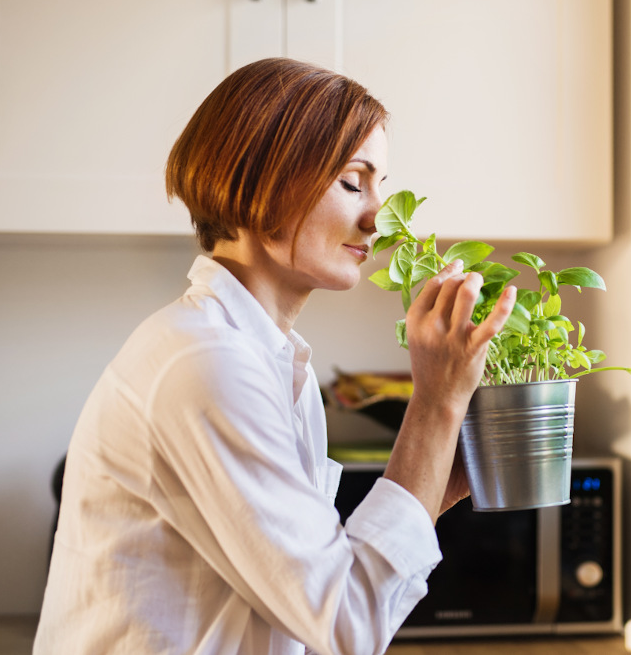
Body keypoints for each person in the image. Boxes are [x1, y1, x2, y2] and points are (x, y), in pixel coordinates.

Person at [33, 57, 516, 655]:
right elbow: (345, 621)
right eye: (351, 182)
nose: (377, 218)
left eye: (380, 187)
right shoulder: (205, 363)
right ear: (263, 178)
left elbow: (311, 588)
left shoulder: (276, 362)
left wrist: (437, 483)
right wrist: (437, 401)